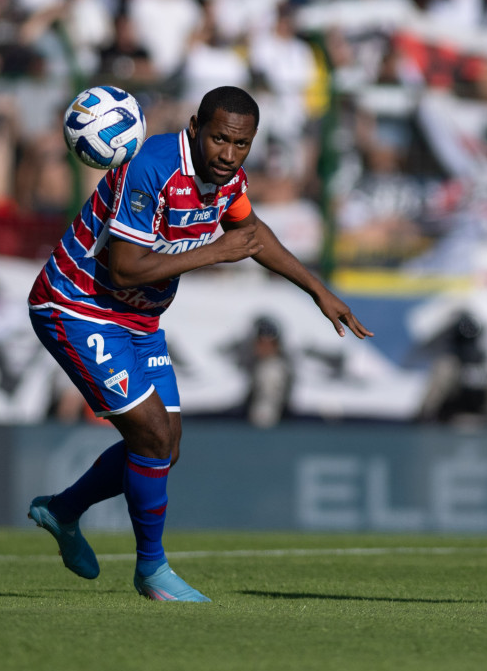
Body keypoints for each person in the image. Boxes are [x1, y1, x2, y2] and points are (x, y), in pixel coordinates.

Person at [26, 85, 372, 601]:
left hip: (138, 320)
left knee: (167, 445)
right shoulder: (152, 168)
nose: (229, 155)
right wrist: (215, 252)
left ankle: (63, 509)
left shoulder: (227, 180)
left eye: (241, 145)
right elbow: (122, 268)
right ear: (195, 128)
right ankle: (152, 572)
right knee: (149, 437)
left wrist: (319, 291)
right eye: (219, 140)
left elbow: (252, 234)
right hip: (77, 307)